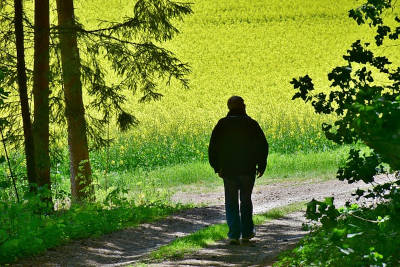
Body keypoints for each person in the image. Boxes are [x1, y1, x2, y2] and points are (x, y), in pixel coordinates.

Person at [208, 96, 269, 245]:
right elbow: (263, 146)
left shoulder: (222, 124)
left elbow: (213, 147)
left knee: (231, 202)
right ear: (244, 106)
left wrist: (217, 167)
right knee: (246, 201)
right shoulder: (251, 124)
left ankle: (234, 235)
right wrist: (261, 165)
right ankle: (247, 233)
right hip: (248, 170)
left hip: (228, 170)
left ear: (229, 107)